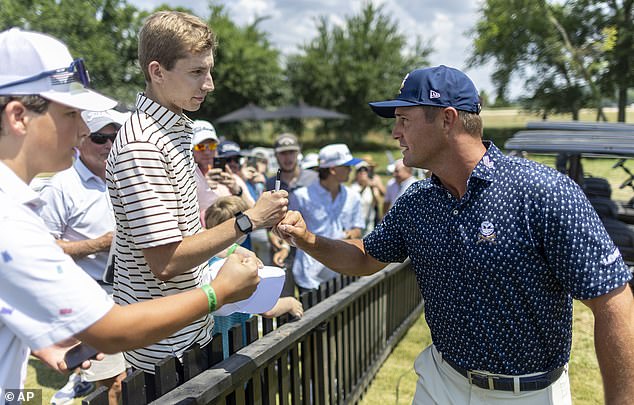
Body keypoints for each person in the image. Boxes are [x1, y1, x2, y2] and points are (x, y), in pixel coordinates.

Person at [276, 65, 634, 404]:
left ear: (447, 119)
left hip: (528, 394)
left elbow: (613, 302)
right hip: (441, 381)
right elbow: (365, 257)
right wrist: (308, 239)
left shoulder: (542, 192)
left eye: (404, 120)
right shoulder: (417, 201)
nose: (394, 133)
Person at [0, 26, 265, 395]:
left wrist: (37, 338)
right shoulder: (9, 219)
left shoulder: (12, 208)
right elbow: (114, 327)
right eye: (70, 114)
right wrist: (218, 292)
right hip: (165, 351)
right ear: (18, 116)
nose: (82, 130)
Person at [105, 11, 288, 373]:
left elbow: (189, 234)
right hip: (163, 351)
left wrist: (239, 241)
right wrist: (249, 221)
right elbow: (167, 261)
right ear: (157, 72)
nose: (210, 84)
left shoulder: (170, 132)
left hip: (185, 333)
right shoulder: (142, 144)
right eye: (196, 72)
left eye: (209, 70)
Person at [39, 109, 127, 405]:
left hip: (132, 292)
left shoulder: (125, 178)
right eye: (100, 137)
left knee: (136, 375)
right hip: (91, 297)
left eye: (115, 137)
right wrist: (98, 244)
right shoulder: (60, 186)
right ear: (80, 142)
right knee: (113, 383)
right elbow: (42, 249)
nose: (109, 144)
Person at [203, 196, 304, 359]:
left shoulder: (205, 260)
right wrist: (289, 303)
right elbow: (266, 308)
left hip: (210, 341)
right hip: (233, 342)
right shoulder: (242, 262)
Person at [280, 144, 365, 294]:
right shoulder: (301, 196)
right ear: (333, 169)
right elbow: (289, 231)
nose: (350, 170)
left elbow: (358, 228)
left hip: (341, 271)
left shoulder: (354, 197)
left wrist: (350, 234)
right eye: (346, 166)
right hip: (310, 273)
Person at [266, 133, 317, 296]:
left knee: (313, 295)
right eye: (283, 153)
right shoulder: (270, 182)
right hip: (282, 245)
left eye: (291, 152)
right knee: (283, 294)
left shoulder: (314, 179)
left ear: (298, 153)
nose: (288, 157)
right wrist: (272, 234)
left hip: (310, 243)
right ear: (276, 155)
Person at [349, 157, 384, 236]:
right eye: (360, 171)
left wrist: (373, 188)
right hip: (356, 224)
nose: (363, 173)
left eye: (365, 171)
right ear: (357, 174)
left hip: (369, 222)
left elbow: (377, 201)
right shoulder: (353, 188)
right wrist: (365, 185)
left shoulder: (370, 186)